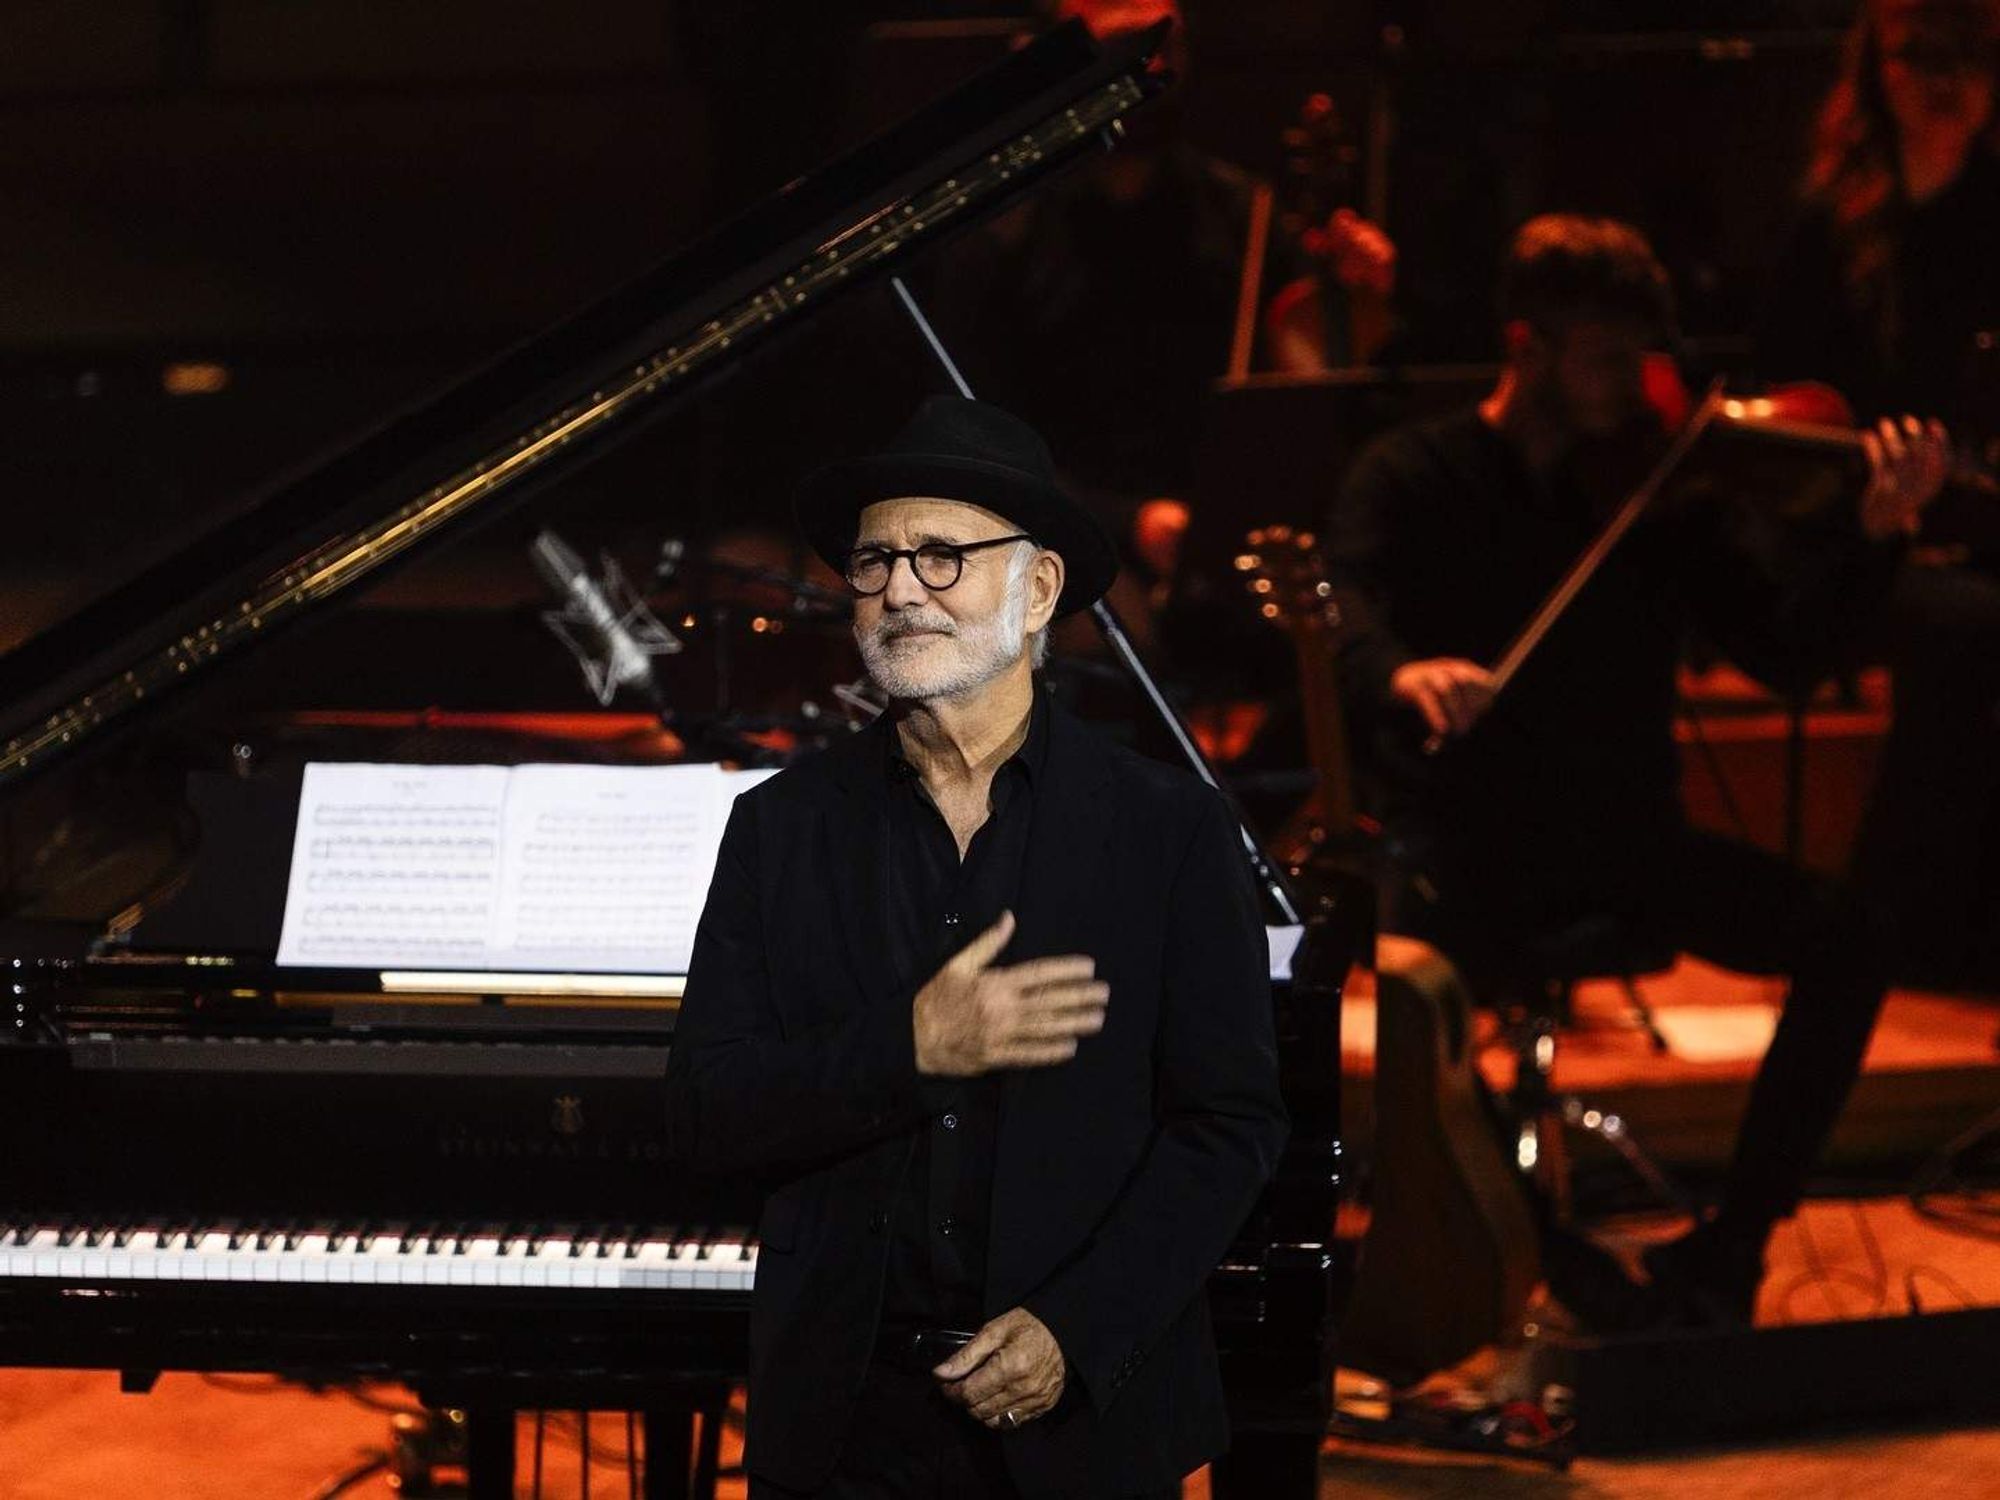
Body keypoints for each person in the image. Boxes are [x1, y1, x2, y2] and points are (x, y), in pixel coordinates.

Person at [1323, 215, 1948, 1329]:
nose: (1637, 387)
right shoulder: (1411, 475)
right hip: (1462, 842)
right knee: (1418, 1010)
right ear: (1527, 347)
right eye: (1608, 360)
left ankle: (1731, 1248)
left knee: (1848, 935)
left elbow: (1787, 654)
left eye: (1643, 359)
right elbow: (1344, 618)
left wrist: (1873, 534)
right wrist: (1404, 674)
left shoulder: (1655, 496)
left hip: (1621, 837)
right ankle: (1546, 1253)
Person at [663, 396, 1287, 1497]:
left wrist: (1074, 1330)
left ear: (1037, 589)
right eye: (874, 562)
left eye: (942, 557)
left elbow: (1228, 1126)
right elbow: (706, 1112)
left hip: (1084, 1418)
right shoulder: (780, 828)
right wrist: (911, 1050)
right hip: (846, 1427)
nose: (901, 590)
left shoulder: (1169, 830)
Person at [1761, 0, 2000, 990]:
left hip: (1979, 519)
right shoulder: (1829, 222)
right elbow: (1781, 405)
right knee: (1970, 632)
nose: (1945, 82)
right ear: (1877, 70)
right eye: (1919, 57)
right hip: (1851, 529)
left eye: (1968, 58)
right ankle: (1911, 927)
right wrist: (1869, 494)